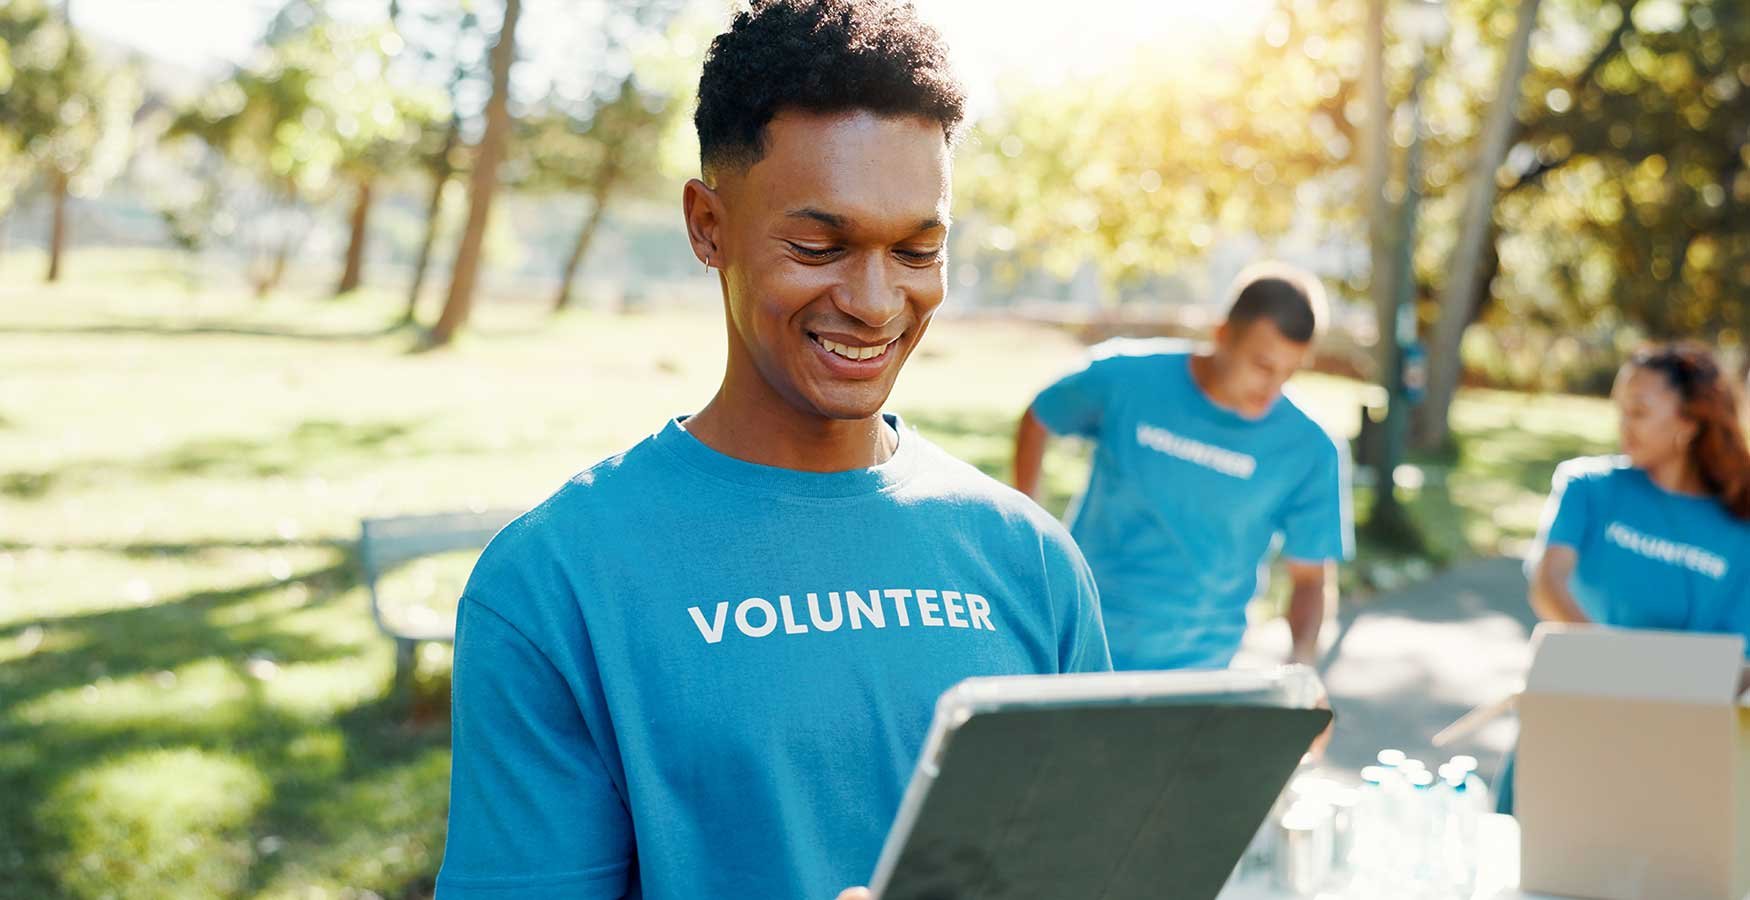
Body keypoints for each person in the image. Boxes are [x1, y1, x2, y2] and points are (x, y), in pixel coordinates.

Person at [434, 3, 1111, 898]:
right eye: (818, 245)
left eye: (917, 248)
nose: (874, 301)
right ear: (708, 226)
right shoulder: (556, 584)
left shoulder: (1029, 561)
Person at [1012, 264, 1353, 672]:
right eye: (1263, 366)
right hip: (1080, 642)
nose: (1272, 388)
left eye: (1289, 371)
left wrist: (1303, 665)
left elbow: (1310, 578)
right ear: (1223, 334)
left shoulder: (1309, 448)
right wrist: (1031, 528)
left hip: (1200, 668)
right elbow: (1041, 415)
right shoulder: (1127, 378)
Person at [1501, 342, 1750, 812]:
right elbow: (1548, 583)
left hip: (1677, 748)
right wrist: (1611, 666)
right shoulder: (1586, 487)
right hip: (1572, 717)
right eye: (1620, 409)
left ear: (1689, 423)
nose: (1623, 425)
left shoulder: (1740, 526)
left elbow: (1737, 659)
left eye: (1639, 411)